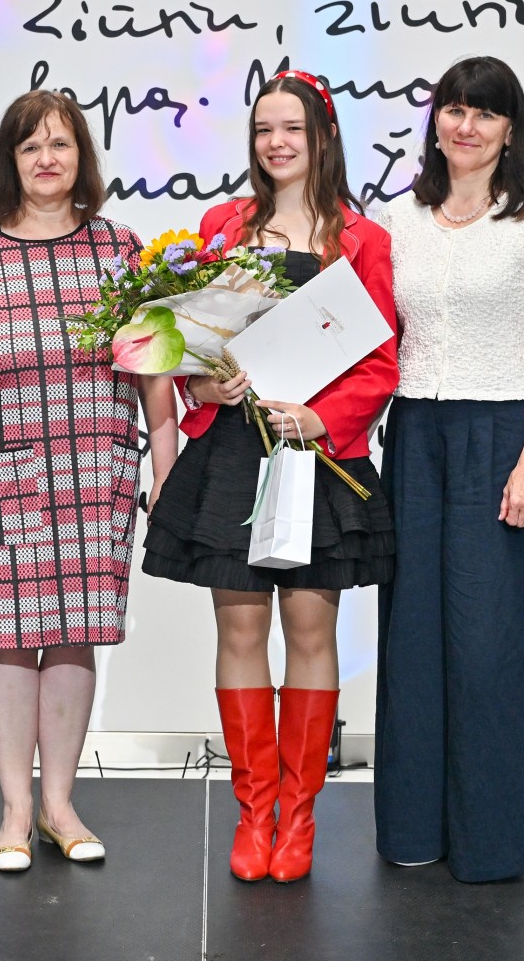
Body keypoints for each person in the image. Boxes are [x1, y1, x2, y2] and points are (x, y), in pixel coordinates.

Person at [143, 71, 398, 884]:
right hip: (234, 453)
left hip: (318, 457)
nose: (276, 143)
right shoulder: (221, 228)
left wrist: (322, 417)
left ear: (324, 136)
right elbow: (184, 343)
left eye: (292, 128)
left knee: (313, 635)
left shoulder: (364, 239)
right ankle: (255, 813)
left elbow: (382, 360)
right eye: (263, 129)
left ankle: (302, 815)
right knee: (241, 633)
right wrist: (201, 383)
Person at [0, 90, 177, 873]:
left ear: (81, 157)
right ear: (11, 160)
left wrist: (166, 466)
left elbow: (155, 370)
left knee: (73, 635)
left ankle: (60, 806)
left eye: (60, 144)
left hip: (95, 473)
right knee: (6, 640)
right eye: (30, 146)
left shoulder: (120, 248)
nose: (46, 159)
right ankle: (14, 812)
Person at [369, 56, 524, 882]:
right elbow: (372, 339)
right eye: (454, 110)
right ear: (435, 123)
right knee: (412, 638)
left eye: (485, 113)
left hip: (501, 435)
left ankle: (489, 844)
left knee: (490, 644)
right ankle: (412, 830)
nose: (466, 126)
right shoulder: (397, 218)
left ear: (510, 128)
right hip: (413, 436)